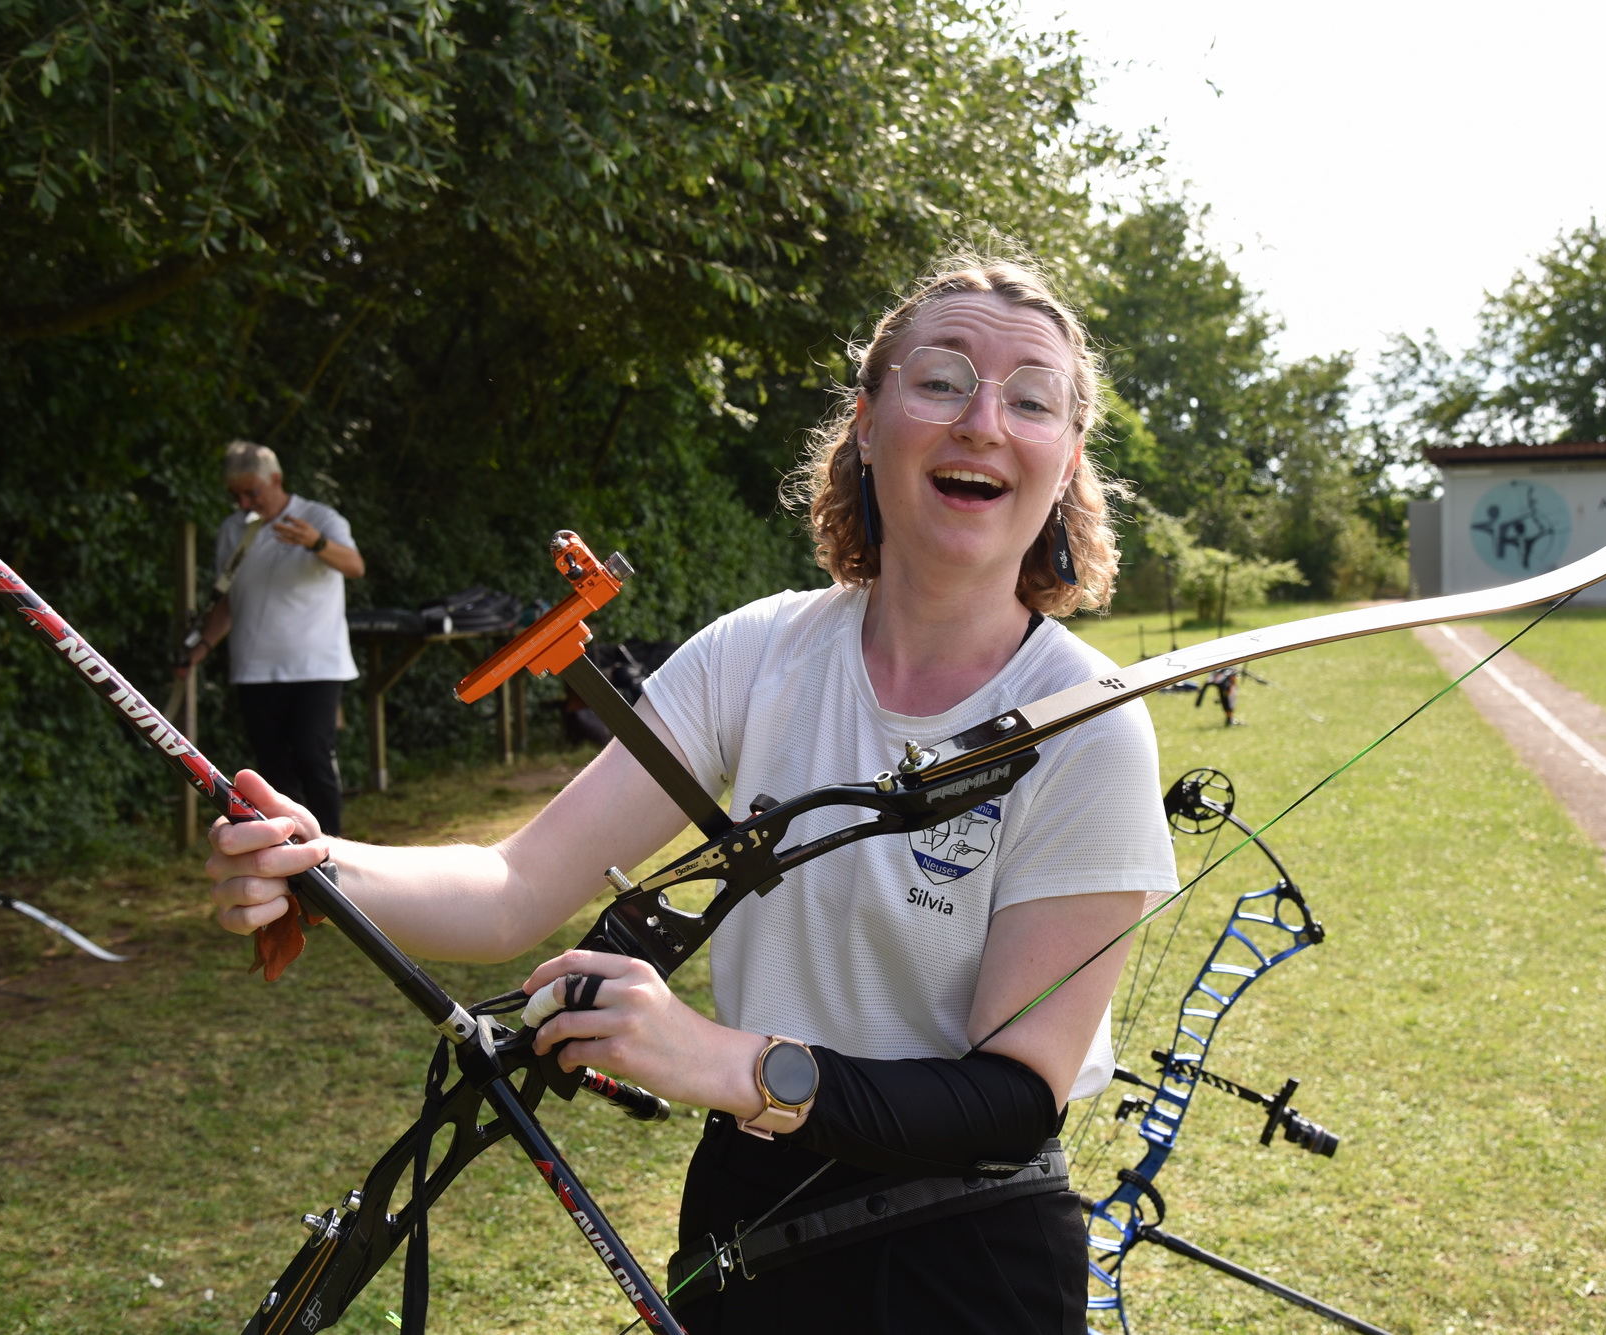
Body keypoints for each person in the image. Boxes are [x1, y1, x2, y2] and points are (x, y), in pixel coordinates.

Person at [203, 259, 1177, 1334]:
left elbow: (1009, 1099)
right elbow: (513, 886)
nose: (983, 422)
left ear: (1066, 458)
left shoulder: (1088, 722)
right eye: (941, 381)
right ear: (865, 423)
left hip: (968, 1250)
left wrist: (721, 1060)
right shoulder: (756, 652)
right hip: (745, 1222)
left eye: (1031, 399)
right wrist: (316, 864)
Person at [185, 441, 365, 837]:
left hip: (316, 666)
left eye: (252, 493)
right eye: (236, 495)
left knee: (312, 756)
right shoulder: (234, 530)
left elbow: (355, 565)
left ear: (276, 479)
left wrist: (316, 543)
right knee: (273, 772)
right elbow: (229, 602)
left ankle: (332, 850)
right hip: (254, 669)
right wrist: (201, 648)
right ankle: (291, 852)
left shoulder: (319, 518)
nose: (244, 503)